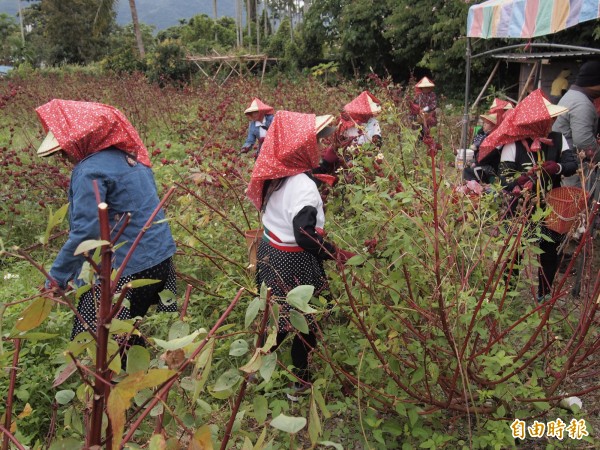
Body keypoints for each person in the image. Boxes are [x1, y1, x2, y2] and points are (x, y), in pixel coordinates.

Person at [37, 99, 177, 343]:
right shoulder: (133, 160)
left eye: (63, 152)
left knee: (94, 340)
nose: (64, 159)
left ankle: (119, 378)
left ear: (81, 140)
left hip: (126, 269)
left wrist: (55, 279)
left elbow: (86, 234)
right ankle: (137, 376)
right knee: (125, 331)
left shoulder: (89, 170)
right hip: (160, 260)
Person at [247, 111, 356, 397]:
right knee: (305, 323)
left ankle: (255, 368)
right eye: (317, 142)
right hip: (295, 262)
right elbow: (305, 236)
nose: (321, 148)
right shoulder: (303, 188)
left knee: (278, 317)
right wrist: (336, 254)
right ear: (301, 148)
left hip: (271, 254)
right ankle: (300, 382)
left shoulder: (277, 176)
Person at [479, 90, 578, 301]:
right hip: (520, 207)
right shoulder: (513, 144)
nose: (552, 121)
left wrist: (557, 167)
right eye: (548, 118)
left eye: (552, 118)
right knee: (515, 251)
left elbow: (572, 165)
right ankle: (509, 292)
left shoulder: (558, 140)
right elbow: (505, 179)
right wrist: (522, 180)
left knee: (550, 251)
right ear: (535, 121)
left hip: (551, 206)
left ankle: (544, 293)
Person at [552, 60, 600, 204]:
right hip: (576, 166)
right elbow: (583, 141)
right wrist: (598, 156)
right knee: (578, 207)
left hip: (566, 162)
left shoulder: (572, 96)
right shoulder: (582, 104)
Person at [320, 91, 382, 173]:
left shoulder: (373, 122)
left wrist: (375, 142)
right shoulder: (347, 122)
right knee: (349, 174)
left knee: (366, 173)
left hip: (367, 155)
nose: (369, 115)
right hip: (349, 157)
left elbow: (378, 139)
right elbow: (340, 140)